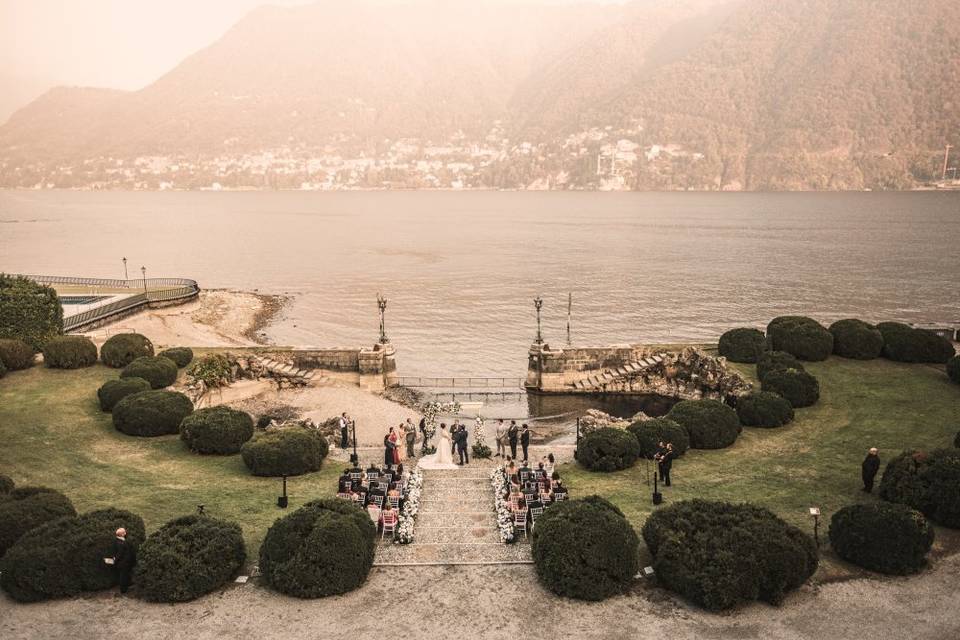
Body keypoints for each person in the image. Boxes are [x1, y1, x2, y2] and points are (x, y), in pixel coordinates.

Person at [110, 527, 137, 594]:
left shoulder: (121, 540)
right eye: (124, 532)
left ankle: (127, 585)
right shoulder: (119, 543)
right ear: (122, 534)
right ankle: (123, 590)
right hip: (122, 563)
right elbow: (119, 554)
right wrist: (115, 560)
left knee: (125, 575)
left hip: (125, 562)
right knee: (123, 576)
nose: (126, 533)